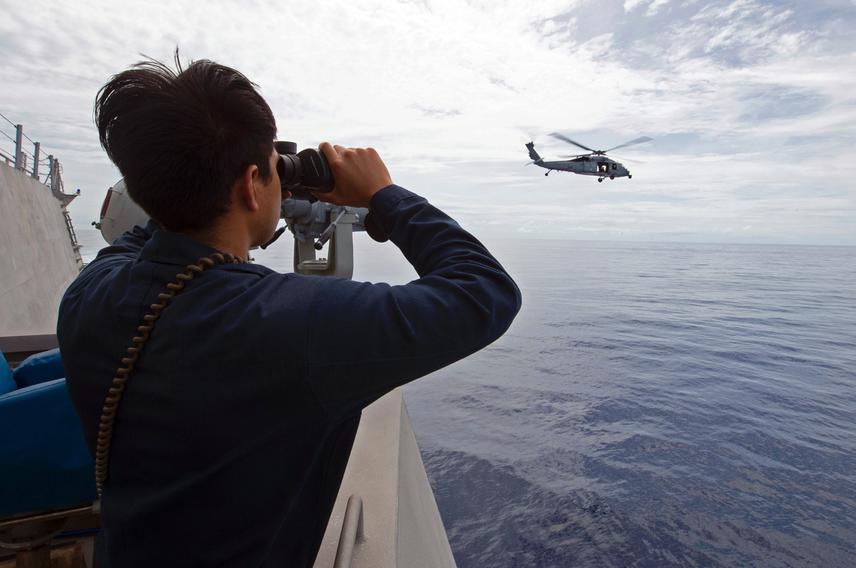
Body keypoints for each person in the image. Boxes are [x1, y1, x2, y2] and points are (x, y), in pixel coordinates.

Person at [57, 56, 521, 567]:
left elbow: (145, 235)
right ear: (250, 184)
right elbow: (485, 292)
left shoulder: (88, 295)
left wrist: (217, 179)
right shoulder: (294, 329)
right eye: (273, 172)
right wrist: (383, 194)